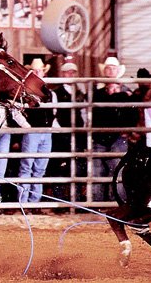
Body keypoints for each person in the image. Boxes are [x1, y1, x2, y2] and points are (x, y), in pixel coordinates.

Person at [16, 58, 57, 205]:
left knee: (40, 168)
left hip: (46, 132)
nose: (38, 72)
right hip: (33, 132)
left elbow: (54, 111)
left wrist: (52, 128)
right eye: (35, 71)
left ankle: (34, 202)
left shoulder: (51, 93)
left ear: (44, 73)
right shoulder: (26, 91)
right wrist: (26, 126)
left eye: (40, 70)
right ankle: (24, 202)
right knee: (27, 166)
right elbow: (16, 111)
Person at [92, 57, 134, 202]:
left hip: (118, 136)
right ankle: (97, 202)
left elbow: (132, 114)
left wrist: (127, 130)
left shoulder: (126, 92)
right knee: (98, 171)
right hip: (100, 135)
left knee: (117, 169)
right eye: (108, 68)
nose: (110, 71)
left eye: (113, 68)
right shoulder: (97, 91)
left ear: (118, 71)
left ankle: (116, 201)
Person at [48, 58, 87, 201]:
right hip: (62, 134)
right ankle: (58, 199)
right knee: (60, 165)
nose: (70, 75)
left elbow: (84, 113)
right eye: (67, 73)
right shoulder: (55, 92)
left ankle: (75, 199)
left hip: (78, 133)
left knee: (77, 166)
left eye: (73, 73)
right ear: (62, 74)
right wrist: (61, 132)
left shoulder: (81, 92)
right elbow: (54, 114)